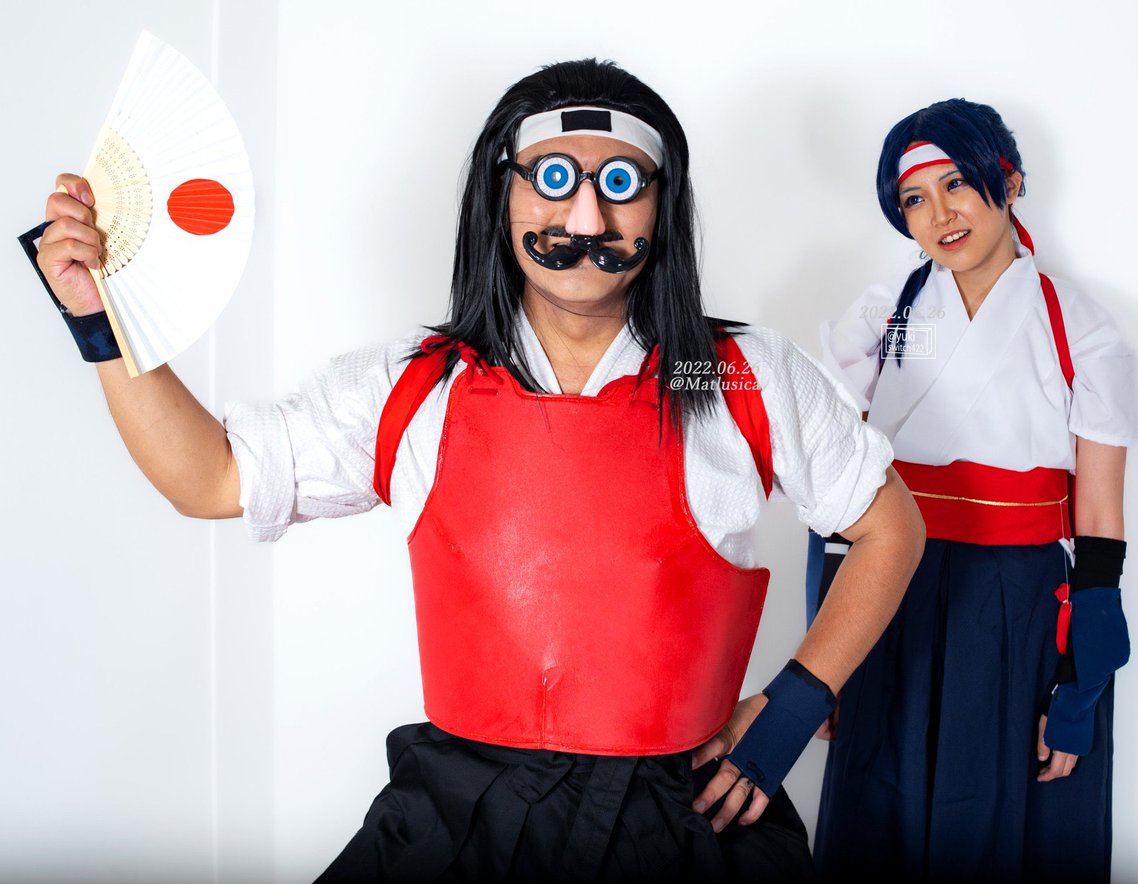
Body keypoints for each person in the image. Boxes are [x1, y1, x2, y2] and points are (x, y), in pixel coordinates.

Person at [28, 59, 923, 882]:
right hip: (462, 815)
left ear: (663, 204)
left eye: (621, 184)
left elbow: (889, 526)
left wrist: (796, 703)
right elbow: (212, 478)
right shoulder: (416, 385)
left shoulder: (731, 375)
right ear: (502, 195)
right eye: (553, 180)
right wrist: (98, 319)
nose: (586, 221)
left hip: (681, 817)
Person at [812, 99, 1138, 882]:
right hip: (889, 584)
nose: (940, 214)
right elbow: (831, 481)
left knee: (1003, 823)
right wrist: (824, 652)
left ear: (1010, 180)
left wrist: (1079, 688)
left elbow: (1098, 521)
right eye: (914, 198)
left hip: (1016, 604)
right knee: (880, 816)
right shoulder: (897, 320)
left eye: (956, 183)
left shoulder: (1079, 328)